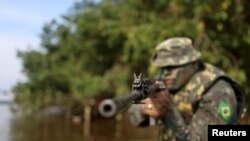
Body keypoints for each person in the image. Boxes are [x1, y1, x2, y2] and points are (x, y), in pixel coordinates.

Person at [128, 37, 246, 141]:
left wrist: (168, 112)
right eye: (162, 68)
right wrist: (146, 109)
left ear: (193, 63)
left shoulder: (217, 91)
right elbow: (133, 116)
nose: (166, 73)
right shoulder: (166, 80)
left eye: (172, 67)